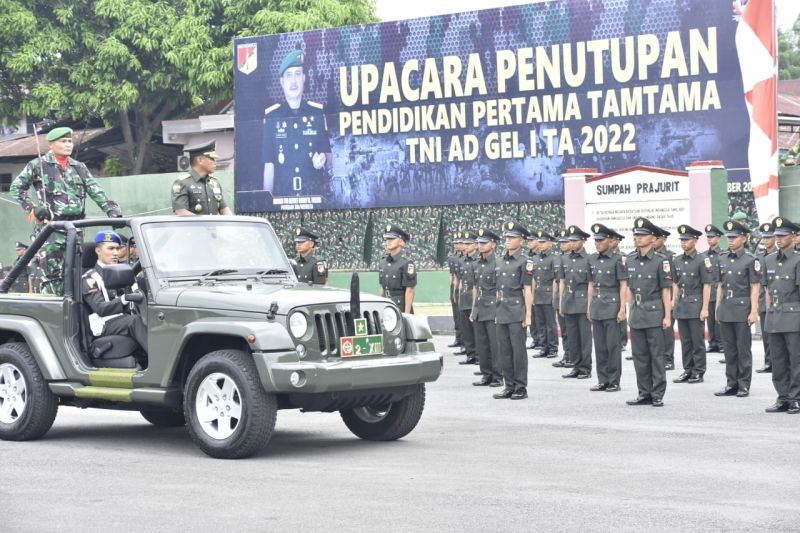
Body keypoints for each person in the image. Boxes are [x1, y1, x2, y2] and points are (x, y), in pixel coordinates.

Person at [10, 126, 122, 295]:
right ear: (51, 144)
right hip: (51, 229)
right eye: (63, 141)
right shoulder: (38, 165)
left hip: (75, 228)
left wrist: (112, 211)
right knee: (53, 275)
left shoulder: (78, 166)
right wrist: (33, 208)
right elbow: (16, 188)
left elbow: (95, 190)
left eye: (70, 141)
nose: (68, 145)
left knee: (75, 273)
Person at [262, 49, 332, 197]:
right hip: (283, 197)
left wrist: (323, 159)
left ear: (304, 78)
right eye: (289, 75)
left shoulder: (317, 112)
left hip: (313, 196)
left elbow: (328, 155)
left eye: (297, 74)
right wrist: (266, 202)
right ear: (282, 81)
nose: (293, 81)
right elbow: (269, 166)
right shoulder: (272, 116)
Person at [82, 231, 147, 367]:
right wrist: (124, 299)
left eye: (117, 248)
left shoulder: (124, 272)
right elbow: (100, 308)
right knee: (134, 321)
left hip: (124, 319)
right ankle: (160, 361)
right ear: (98, 251)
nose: (116, 253)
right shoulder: (90, 278)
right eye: (110, 249)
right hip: (105, 324)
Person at [626, 217, 672, 407]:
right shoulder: (629, 260)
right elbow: (629, 288)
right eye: (636, 235)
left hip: (654, 314)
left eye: (642, 235)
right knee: (640, 356)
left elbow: (666, 290)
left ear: (652, 239)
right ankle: (644, 392)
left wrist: (667, 315)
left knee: (656, 356)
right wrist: (629, 309)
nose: (638, 238)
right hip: (637, 313)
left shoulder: (661, 261)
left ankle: (658, 393)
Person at [713, 220, 759, 398]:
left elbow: (755, 287)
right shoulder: (722, 258)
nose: (730, 240)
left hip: (742, 309)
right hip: (726, 308)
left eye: (734, 237)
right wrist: (717, 307)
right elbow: (720, 286)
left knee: (743, 349)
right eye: (729, 237)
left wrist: (753, 311)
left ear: (744, 238)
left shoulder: (750, 259)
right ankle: (731, 383)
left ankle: (744, 384)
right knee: (729, 349)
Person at [761, 217, 800, 414]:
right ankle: (782, 396)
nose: (778, 239)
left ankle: (796, 398)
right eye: (776, 235)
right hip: (774, 317)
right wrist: (768, 313)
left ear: (793, 236)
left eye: (782, 235)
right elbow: (767, 290)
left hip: (794, 318)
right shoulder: (768, 260)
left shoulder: (798, 259)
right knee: (777, 360)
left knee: (796, 361)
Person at [492, 222, 534, 400]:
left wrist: (528, 315)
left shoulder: (525, 261)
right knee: (504, 351)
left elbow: (527, 289)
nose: (508, 240)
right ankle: (508, 385)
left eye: (512, 237)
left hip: (517, 310)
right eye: (507, 237)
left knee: (518, 351)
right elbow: (497, 288)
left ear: (521, 240)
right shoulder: (500, 261)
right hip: (501, 309)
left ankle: (520, 387)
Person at [587, 224, 628, 392]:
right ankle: (602, 379)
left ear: (610, 241)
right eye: (596, 240)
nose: (597, 243)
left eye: (601, 240)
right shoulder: (592, 259)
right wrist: (588, 306)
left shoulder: (618, 260)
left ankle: (614, 381)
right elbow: (590, 284)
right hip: (597, 305)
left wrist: (622, 308)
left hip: (612, 305)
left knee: (613, 346)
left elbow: (623, 285)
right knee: (600, 347)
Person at [671, 225, 712, 385]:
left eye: (686, 239)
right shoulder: (677, 260)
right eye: (681, 240)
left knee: (697, 341)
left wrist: (705, 308)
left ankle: (698, 371)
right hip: (682, 304)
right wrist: (674, 301)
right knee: (685, 341)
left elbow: (707, 285)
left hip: (696, 304)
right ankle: (687, 370)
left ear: (695, 241)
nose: (683, 242)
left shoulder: (702, 260)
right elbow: (675, 283)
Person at [471, 228, 503, 387]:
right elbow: (475, 287)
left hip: (492, 305)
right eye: (479, 243)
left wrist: (498, 310)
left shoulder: (498, 263)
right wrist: (473, 309)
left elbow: (499, 289)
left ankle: (497, 376)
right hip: (480, 306)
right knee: (482, 343)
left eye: (484, 243)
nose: (480, 246)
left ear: (494, 244)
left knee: (494, 344)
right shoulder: (476, 264)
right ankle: (486, 375)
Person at [560, 225, 593, 379]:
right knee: (572, 336)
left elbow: (591, 284)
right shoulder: (565, 258)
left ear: (583, 241)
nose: (572, 243)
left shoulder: (589, 259)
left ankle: (585, 368)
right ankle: (576, 365)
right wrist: (561, 302)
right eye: (570, 240)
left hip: (582, 301)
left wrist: (589, 306)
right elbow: (562, 281)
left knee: (584, 338)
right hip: (568, 300)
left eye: (575, 240)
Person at [172, 140, 232, 216]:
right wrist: (205, 224)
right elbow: (181, 212)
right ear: (200, 160)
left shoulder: (214, 183)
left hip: (215, 227)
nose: (215, 162)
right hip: (195, 227)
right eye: (212, 159)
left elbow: (224, 209)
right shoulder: (182, 183)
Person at [531, 231, 559, 358]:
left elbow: (555, 279)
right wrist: (532, 295)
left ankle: (553, 348)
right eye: (539, 242)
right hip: (537, 293)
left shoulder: (554, 258)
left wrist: (553, 296)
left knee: (550, 323)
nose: (540, 244)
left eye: (543, 242)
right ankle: (544, 347)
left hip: (548, 294)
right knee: (540, 322)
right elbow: (532, 279)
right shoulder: (534, 259)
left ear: (550, 243)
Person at [378, 224, 416, 313]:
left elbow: (410, 290)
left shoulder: (406, 263)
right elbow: (382, 288)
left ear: (401, 241)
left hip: (400, 307)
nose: (388, 241)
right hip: (386, 305)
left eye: (392, 239)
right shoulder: (383, 262)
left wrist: (407, 315)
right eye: (387, 239)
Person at [654, 228, 676, 370]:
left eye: (657, 238)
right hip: (654, 299)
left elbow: (673, 281)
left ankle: (668, 359)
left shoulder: (670, 257)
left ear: (664, 239)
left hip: (667, 297)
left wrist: (673, 300)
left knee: (667, 330)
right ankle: (658, 358)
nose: (654, 240)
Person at [756, 222, 776, 374]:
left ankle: (777, 362)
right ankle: (768, 361)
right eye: (764, 238)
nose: (766, 240)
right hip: (763, 301)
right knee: (766, 333)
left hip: (778, 301)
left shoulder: (779, 255)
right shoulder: (759, 257)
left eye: (769, 237)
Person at [457, 231, 479, 365]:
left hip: (474, 299)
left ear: (476, 245)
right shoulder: (462, 261)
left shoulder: (478, 261)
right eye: (464, 244)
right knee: (466, 330)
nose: (465, 246)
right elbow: (460, 281)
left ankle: (478, 356)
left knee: (476, 330)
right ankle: (470, 354)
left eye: (469, 244)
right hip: (464, 298)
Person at [552, 229, 572, 368]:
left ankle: (573, 357)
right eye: (561, 242)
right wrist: (555, 298)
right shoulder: (558, 258)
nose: (562, 245)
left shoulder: (575, 258)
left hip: (572, 299)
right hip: (561, 298)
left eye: (565, 242)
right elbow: (556, 280)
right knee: (564, 331)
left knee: (572, 332)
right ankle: (567, 355)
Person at [703, 224, 724, 353]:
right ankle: (712, 343)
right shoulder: (704, 255)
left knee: (719, 318)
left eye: (712, 237)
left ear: (719, 238)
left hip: (720, 291)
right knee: (710, 319)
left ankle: (721, 344)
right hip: (708, 291)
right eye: (708, 237)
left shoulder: (723, 254)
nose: (709, 239)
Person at [447, 232, 465, 351]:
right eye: (455, 243)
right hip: (455, 287)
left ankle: (465, 341)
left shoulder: (466, 259)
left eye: (459, 242)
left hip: (464, 288)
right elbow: (452, 275)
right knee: (456, 315)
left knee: (463, 316)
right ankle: (458, 338)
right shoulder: (453, 257)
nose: (457, 245)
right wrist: (452, 290)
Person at [525, 233, 542, 349]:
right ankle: (535, 338)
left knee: (538, 317)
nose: (529, 243)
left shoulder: (539, 256)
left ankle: (541, 339)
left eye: (532, 241)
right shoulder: (528, 256)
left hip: (537, 288)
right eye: (528, 241)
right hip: (528, 287)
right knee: (532, 316)